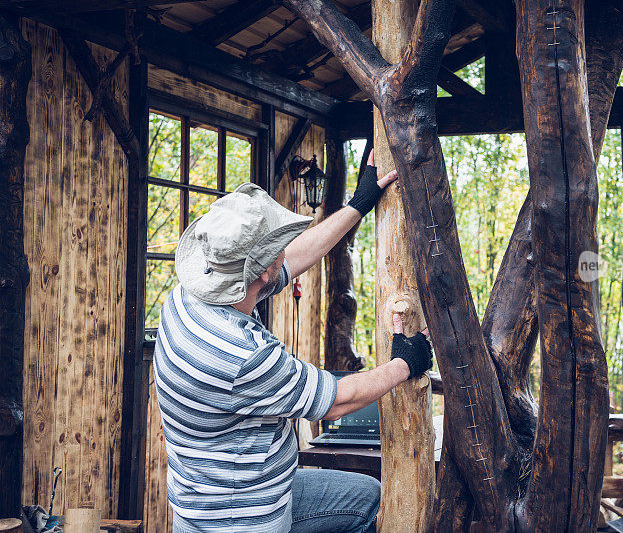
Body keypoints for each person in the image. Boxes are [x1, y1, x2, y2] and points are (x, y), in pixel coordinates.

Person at [152, 150, 434, 533]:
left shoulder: (188, 297)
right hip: (247, 518)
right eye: (279, 242)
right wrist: (405, 362)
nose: (288, 245)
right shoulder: (242, 355)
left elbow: (290, 260)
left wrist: (358, 205)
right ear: (264, 271)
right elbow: (335, 401)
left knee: (365, 494)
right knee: (370, 503)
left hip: (206, 500)